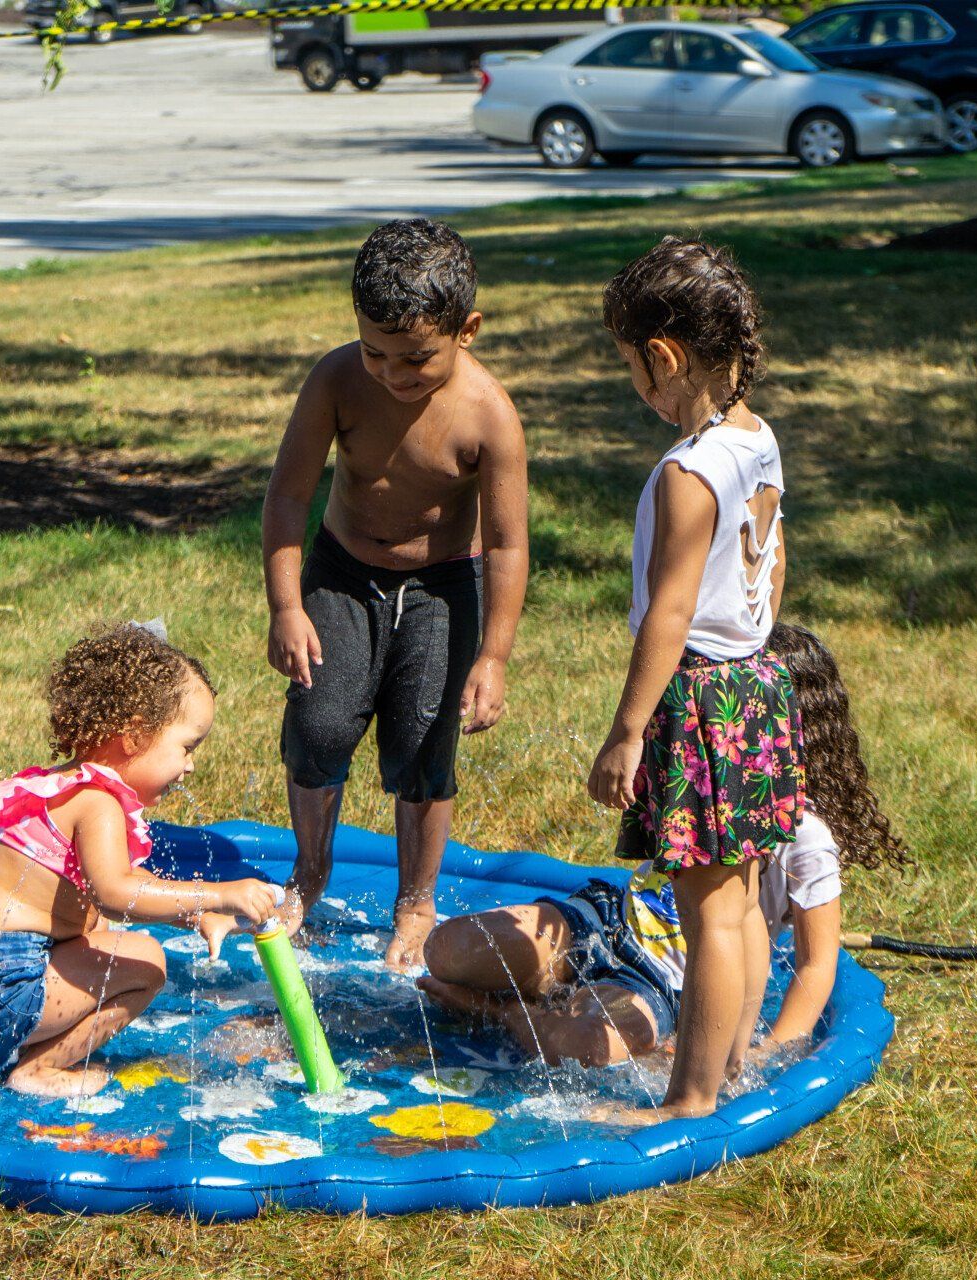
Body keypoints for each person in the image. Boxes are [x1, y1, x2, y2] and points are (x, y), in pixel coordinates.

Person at [416, 623, 913, 1079]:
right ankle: (549, 991)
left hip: (661, 982)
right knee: (445, 949)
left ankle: (502, 1011)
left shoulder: (806, 838)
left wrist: (771, 1050)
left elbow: (815, 964)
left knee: (588, 1049)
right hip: (607, 921)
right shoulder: (701, 772)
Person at [262, 218, 530, 971]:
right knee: (318, 726)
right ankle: (310, 871)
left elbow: (507, 543)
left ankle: (416, 901)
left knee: (421, 747)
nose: (393, 373)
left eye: (416, 358)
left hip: (443, 589)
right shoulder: (338, 380)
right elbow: (287, 497)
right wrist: (288, 605)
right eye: (376, 351)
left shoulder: (488, 415)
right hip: (343, 573)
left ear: (467, 330)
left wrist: (494, 655)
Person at [582, 236, 804, 1118]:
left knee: (708, 908)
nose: (639, 390)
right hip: (755, 681)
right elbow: (774, 560)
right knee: (741, 896)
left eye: (635, 370)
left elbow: (669, 615)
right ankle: (732, 1059)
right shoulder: (755, 438)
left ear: (665, 356)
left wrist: (628, 730)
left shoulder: (687, 471)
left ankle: (691, 1099)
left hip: (703, 694)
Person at [0, 624, 281, 1099]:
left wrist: (200, 917)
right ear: (133, 738)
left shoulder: (52, 789)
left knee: (92, 928)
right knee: (146, 961)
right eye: (187, 747)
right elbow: (117, 891)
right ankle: (39, 1068)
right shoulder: (99, 803)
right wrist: (222, 892)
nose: (190, 767)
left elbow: (101, 897)